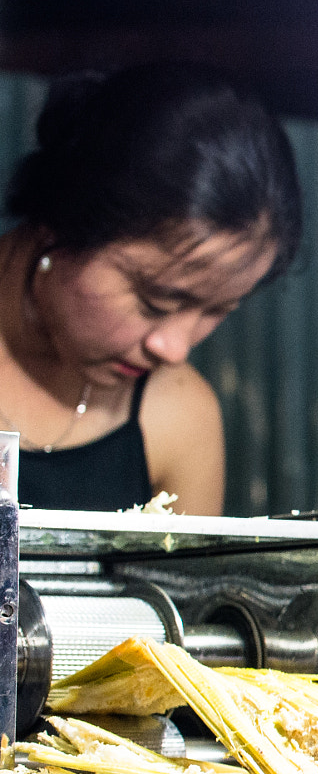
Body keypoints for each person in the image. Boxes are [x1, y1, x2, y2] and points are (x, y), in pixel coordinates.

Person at [0, 62, 301, 513]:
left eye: (219, 310)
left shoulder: (178, 417)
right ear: (62, 218)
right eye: (154, 301)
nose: (174, 350)